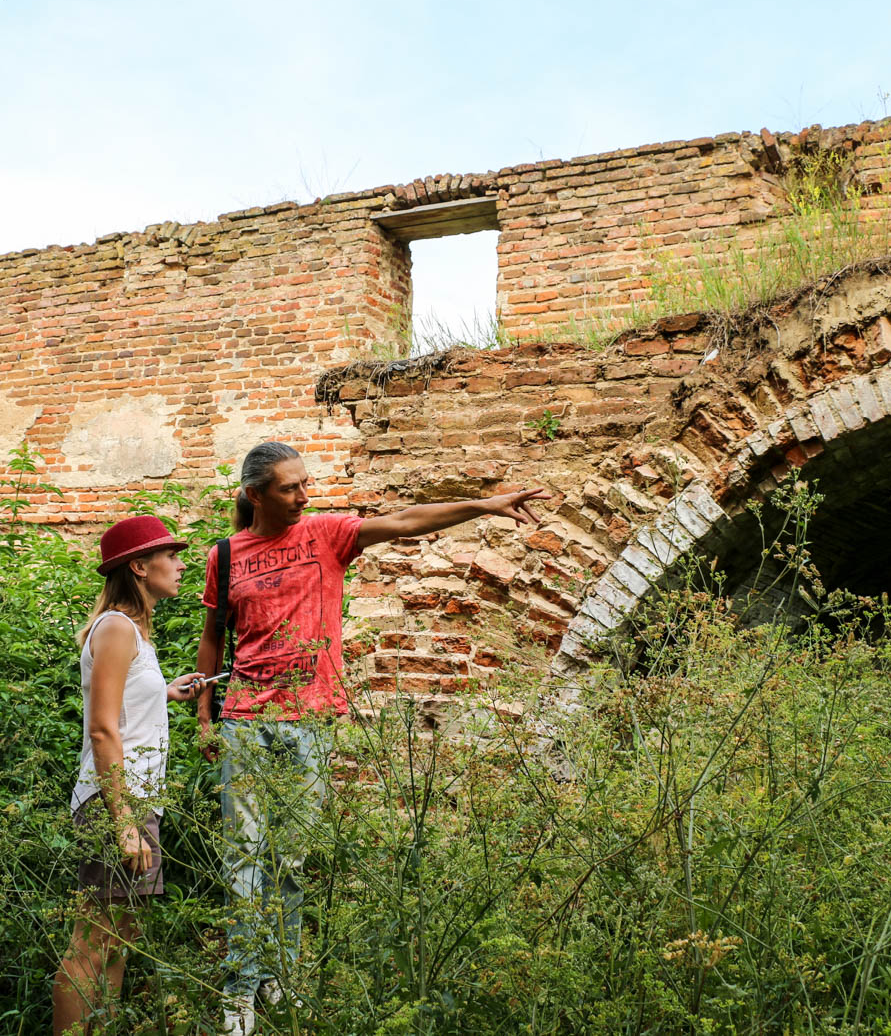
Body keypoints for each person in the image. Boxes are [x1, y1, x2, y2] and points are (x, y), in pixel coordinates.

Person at [195, 440, 549, 1035]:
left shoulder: (325, 534)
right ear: (256, 494)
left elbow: (407, 522)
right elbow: (212, 637)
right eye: (289, 488)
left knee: (291, 861)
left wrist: (484, 507)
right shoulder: (225, 555)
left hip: (312, 721)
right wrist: (205, 716)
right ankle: (240, 995)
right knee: (245, 860)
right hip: (246, 722)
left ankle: (282, 975)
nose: (304, 496)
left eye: (305, 483)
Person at [53, 515, 205, 1036]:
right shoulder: (117, 627)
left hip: (135, 802)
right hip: (115, 802)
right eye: (171, 555)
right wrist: (122, 821)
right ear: (140, 567)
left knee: (119, 940)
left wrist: (166, 692)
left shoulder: (132, 631)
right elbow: (101, 731)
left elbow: (118, 709)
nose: (182, 564)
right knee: (92, 944)